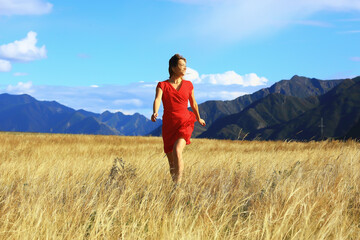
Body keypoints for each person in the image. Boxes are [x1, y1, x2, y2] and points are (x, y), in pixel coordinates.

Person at [151, 54, 206, 185]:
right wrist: (155, 112)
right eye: (182, 66)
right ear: (173, 68)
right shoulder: (162, 85)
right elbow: (158, 99)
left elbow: (193, 103)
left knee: (177, 150)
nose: (185, 69)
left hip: (185, 122)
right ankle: (174, 185)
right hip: (169, 125)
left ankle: (178, 185)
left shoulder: (188, 85)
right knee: (171, 161)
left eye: (185, 66)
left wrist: (198, 118)